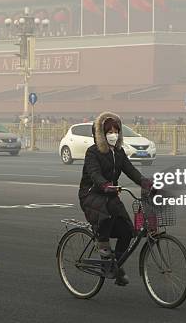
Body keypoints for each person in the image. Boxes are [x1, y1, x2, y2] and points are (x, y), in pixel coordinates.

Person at [78, 112, 153, 287]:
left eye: (116, 131)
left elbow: (130, 170)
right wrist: (104, 185)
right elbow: (94, 173)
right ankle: (104, 252)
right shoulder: (93, 152)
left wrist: (145, 182)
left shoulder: (118, 152)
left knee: (127, 230)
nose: (113, 134)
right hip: (92, 194)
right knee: (105, 217)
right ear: (101, 134)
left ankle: (115, 266)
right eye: (109, 131)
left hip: (111, 194)